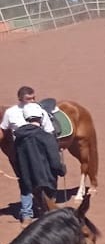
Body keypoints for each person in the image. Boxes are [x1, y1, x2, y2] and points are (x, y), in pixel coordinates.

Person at [2, 87, 58, 221]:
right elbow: (3, 129)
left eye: (34, 98)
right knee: (25, 182)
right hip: (22, 153)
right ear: (20, 99)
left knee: (47, 180)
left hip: (41, 152)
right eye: (29, 99)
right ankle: (27, 214)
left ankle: (48, 209)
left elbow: (49, 132)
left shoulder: (41, 111)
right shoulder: (11, 112)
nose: (32, 101)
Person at [13, 105, 66, 222]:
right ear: (41, 117)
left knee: (32, 197)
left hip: (28, 179)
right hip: (47, 178)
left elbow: (16, 159)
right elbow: (54, 161)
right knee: (49, 205)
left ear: (26, 118)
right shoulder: (46, 137)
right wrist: (61, 170)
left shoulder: (18, 139)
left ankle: (27, 218)